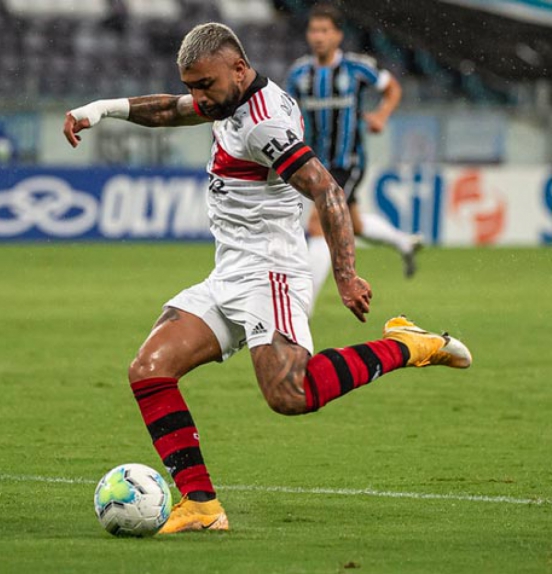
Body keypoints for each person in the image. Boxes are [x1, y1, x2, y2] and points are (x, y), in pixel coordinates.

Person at [63, 22, 471, 533]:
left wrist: (345, 274)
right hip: (229, 272)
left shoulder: (262, 125)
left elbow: (328, 191)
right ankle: (202, 506)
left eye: (204, 85)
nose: (198, 98)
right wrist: (99, 110)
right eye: (191, 84)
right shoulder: (226, 99)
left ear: (238, 68)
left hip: (270, 273)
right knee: (149, 368)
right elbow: (170, 108)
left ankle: (409, 346)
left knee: (290, 395)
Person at [286, 3, 422, 313]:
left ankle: (300, 308)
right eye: (313, 30)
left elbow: (393, 88)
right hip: (315, 162)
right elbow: (288, 111)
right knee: (354, 224)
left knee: (320, 225)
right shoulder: (299, 73)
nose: (317, 37)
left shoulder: (357, 68)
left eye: (324, 31)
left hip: (348, 161)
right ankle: (403, 242)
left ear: (338, 35)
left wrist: (382, 116)